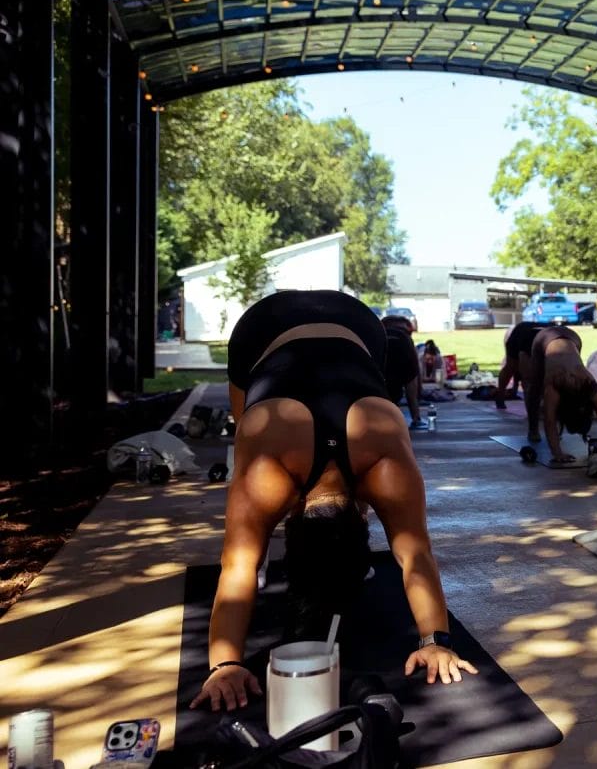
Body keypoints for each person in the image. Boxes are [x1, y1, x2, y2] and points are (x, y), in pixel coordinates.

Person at [191, 289, 474, 712]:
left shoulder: (283, 464)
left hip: (333, 324)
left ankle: (271, 532)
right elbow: (415, 553)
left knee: (246, 536)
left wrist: (225, 664)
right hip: (304, 328)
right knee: (247, 454)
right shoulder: (373, 458)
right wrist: (436, 642)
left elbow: (239, 567)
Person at [500, 322, 597, 462]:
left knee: (563, 368)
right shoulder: (555, 383)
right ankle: (533, 429)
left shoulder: (588, 383)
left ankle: (540, 431)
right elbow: (549, 420)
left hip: (572, 337)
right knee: (534, 386)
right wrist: (557, 453)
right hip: (543, 338)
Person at [382, 314, 426, 429]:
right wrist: (419, 395)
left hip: (380, 374)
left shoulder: (378, 334)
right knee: (410, 384)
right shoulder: (406, 338)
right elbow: (414, 374)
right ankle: (416, 419)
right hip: (404, 359)